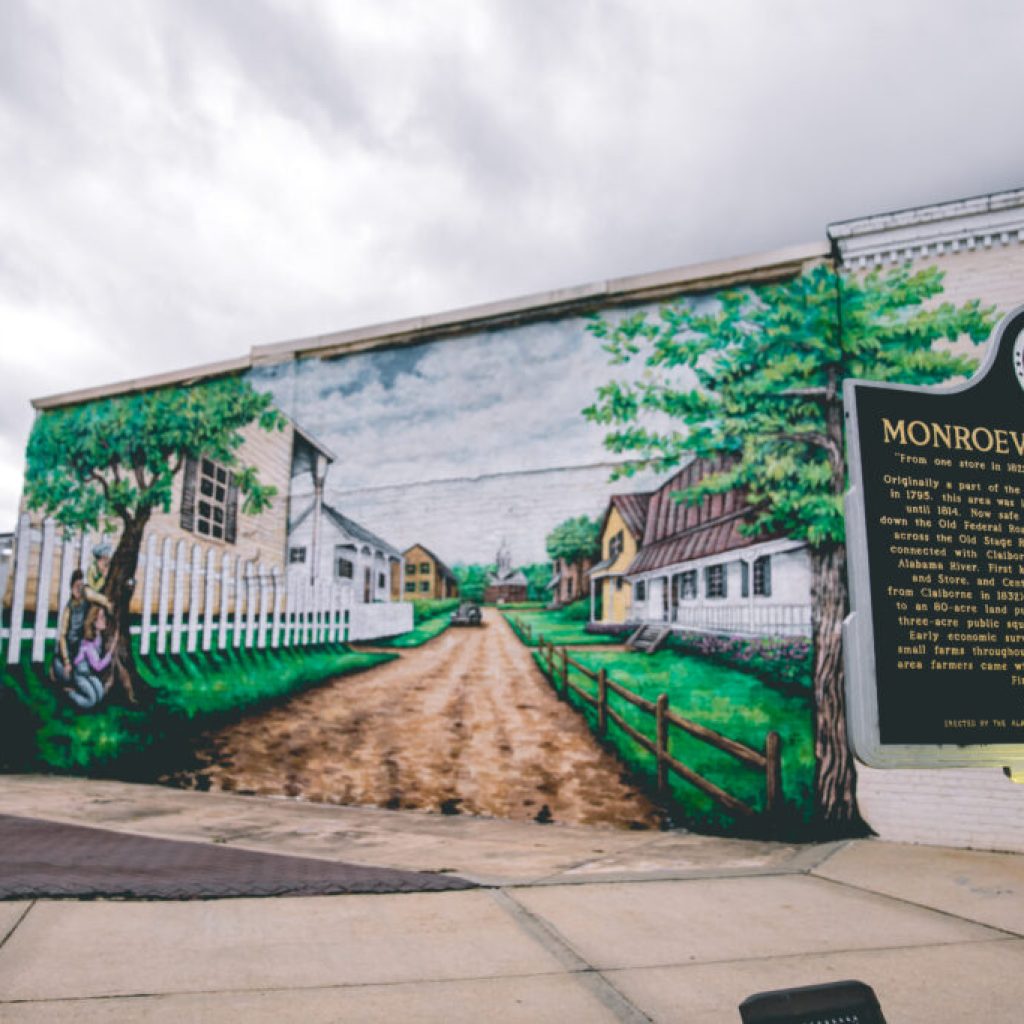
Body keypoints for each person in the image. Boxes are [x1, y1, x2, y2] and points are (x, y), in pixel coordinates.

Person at [64, 604, 113, 710]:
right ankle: (69, 693)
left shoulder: (98, 637)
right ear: (93, 621)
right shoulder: (87, 643)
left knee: (100, 695)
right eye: (101, 617)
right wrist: (110, 654)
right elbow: (98, 666)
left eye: (103, 616)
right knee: (91, 701)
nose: (104, 620)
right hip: (80, 675)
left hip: (89, 674)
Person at [51, 569, 88, 687]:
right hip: (67, 651)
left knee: (80, 676)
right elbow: (62, 636)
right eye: (76, 586)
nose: (78, 589)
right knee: (67, 678)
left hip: (80, 650)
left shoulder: (86, 604)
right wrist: (66, 660)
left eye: (81, 586)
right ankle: (55, 668)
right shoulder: (69, 608)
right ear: (71, 587)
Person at [84, 542, 113, 611]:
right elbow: (94, 588)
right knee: (88, 592)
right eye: (104, 559)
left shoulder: (108, 568)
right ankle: (107, 603)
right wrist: (103, 577)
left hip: (105, 593)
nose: (106, 561)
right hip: (95, 594)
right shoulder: (92, 569)